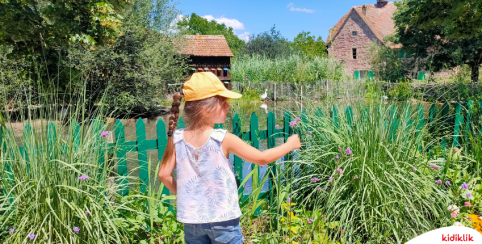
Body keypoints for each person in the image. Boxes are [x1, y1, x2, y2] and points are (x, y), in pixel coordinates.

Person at [158, 72, 301, 244]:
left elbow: (163, 175)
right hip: (223, 221)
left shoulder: (177, 137)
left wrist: (188, 196)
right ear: (206, 109)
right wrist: (290, 145)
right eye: (223, 102)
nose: (228, 107)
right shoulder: (222, 138)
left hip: (192, 222)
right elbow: (262, 158)